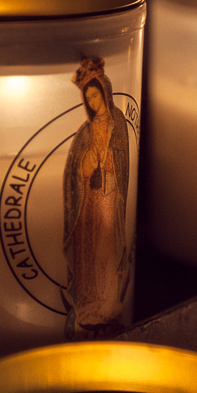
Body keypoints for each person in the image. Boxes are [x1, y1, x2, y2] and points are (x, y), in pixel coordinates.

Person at [62, 57, 132, 339]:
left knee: (105, 251)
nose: (92, 101)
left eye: (95, 94)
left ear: (105, 91)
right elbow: (73, 170)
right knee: (88, 254)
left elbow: (123, 160)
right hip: (88, 201)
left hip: (109, 196)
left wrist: (107, 166)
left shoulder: (118, 123)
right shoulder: (84, 131)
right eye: (88, 97)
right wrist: (84, 166)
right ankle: (88, 310)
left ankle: (106, 309)